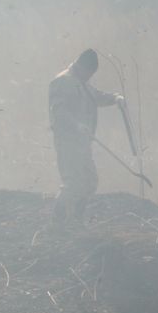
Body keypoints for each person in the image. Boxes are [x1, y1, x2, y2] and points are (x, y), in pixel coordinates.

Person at [48, 49, 123, 226]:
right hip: (67, 142)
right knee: (72, 182)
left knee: (90, 181)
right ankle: (57, 222)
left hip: (82, 143)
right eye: (89, 73)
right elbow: (58, 112)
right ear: (81, 67)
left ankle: (76, 219)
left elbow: (95, 96)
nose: (90, 77)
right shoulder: (62, 81)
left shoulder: (81, 81)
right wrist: (76, 125)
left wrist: (115, 98)